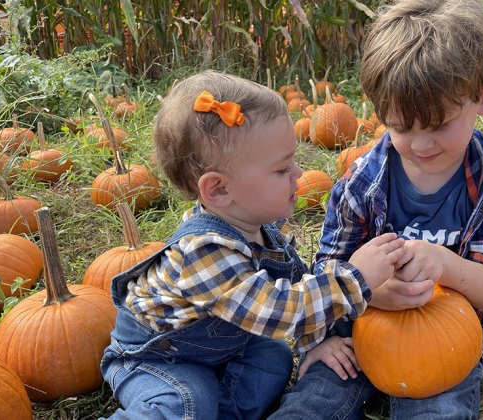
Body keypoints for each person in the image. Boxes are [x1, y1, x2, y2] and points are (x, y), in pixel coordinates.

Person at [268, 0, 483, 419]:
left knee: (441, 409)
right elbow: (328, 269)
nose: (422, 145)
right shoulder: (361, 182)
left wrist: (443, 264)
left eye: (440, 125)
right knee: (315, 403)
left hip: (445, 340)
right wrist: (367, 290)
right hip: (361, 331)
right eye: (403, 128)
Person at [100, 70, 409, 419]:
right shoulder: (204, 253)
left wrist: (316, 342)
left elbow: (297, 286)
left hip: (216, 351)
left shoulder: (263, 231)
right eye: (281, 170)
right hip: (156, 359)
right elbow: (281, 310)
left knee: (273, 357)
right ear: (218, 189)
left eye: (293, 160)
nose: (298, 173)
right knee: (186, 400)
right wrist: (355, 278)